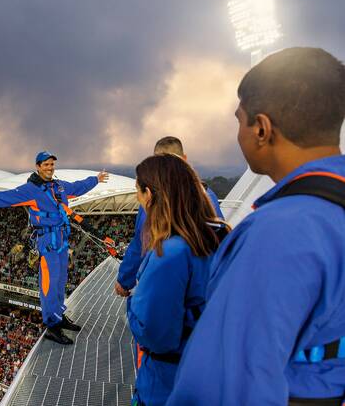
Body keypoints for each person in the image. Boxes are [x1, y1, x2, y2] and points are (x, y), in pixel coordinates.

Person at [167, 47, 345, 405]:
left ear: (262, 128)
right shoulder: (328, 211)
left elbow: (221, 387)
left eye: (240, 120)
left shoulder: (279, 233)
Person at [0, 151, 108, 344]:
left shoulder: (58, 186)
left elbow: (78, 187)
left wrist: (95, 179)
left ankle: (59, 316)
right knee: (49, 284)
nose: (50, 168)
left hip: (61, 239)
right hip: (47, 242)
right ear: (38, 166)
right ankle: (52, 326)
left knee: (60, 281)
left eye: (52, 164)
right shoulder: (31, 190)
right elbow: (7, 197)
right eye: (46, 165)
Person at [127, 154, 226, 406]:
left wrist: (131, 305)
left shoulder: (170, 254)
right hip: (211, 374)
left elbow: (157, 336)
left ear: (149, 195)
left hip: (169, 383)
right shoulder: (219, 235)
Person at [115, 136, 224, 297]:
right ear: (184, 159)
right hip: (204, 288)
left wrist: (124, 280)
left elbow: (141, 244)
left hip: (164, 287)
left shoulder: (151, 202)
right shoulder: (208, 195)